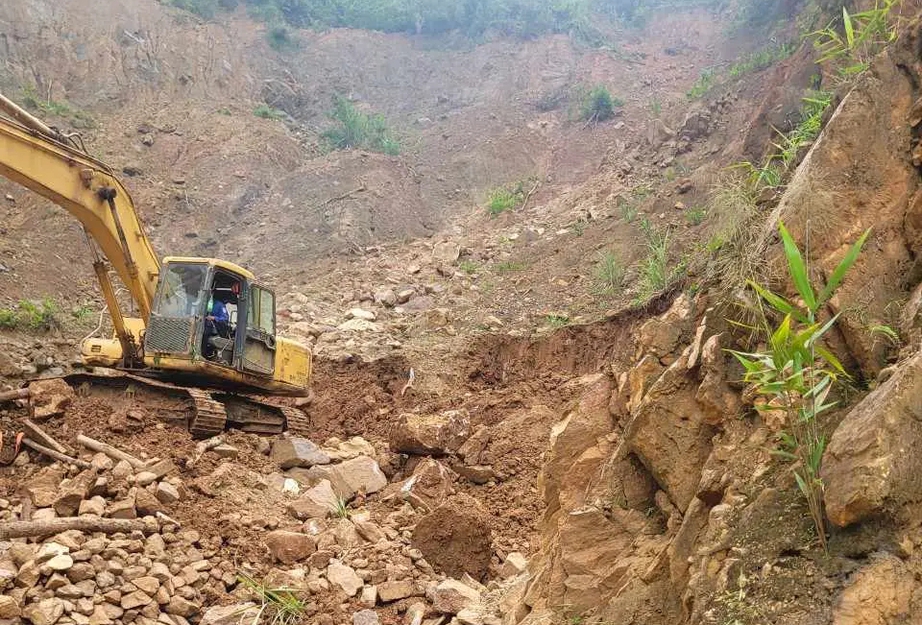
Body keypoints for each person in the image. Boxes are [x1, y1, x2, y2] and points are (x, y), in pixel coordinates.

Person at [203, 295, 229, 359]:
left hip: (214, 328)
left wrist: (214, 318)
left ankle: (203, 352)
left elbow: (225, 318)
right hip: (201, 325)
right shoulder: (201, 303)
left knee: (207, 326)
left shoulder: (219, 305)